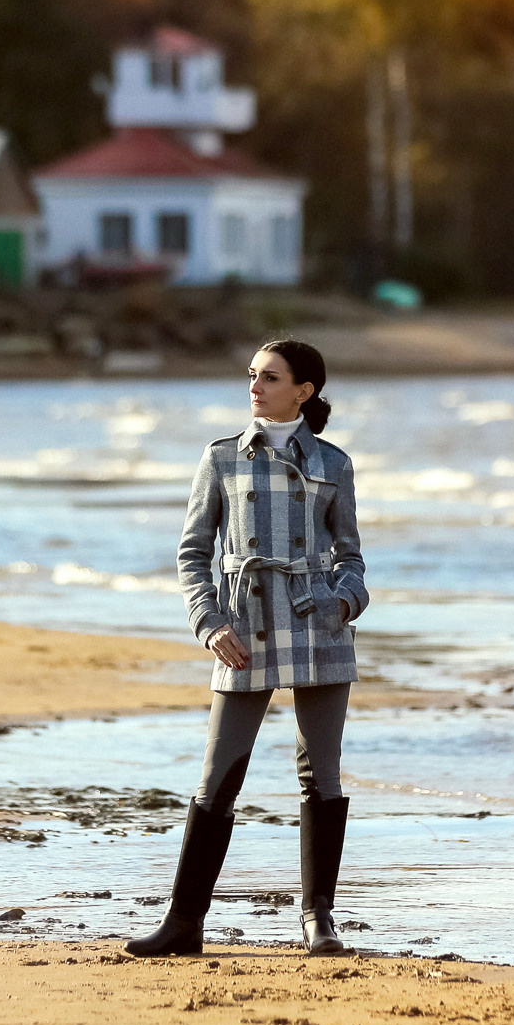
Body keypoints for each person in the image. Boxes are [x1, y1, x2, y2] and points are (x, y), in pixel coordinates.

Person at [127, 338, 368, 959]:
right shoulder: (220, 459)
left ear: (304, 391)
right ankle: (183, 923)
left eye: (269, 377)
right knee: (218, 777)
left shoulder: (334, 463)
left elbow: (352, 558)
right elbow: (191, 555)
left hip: (319, 625)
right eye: (252, 376)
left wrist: (344, 601)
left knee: (322, 774)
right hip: (245, 626)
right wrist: (209, 623)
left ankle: (319, 922)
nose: (254, 387)